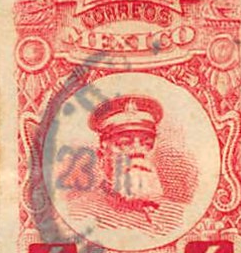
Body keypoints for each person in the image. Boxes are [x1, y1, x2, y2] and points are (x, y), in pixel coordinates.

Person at [64, 94, 188, 244]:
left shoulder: (180, 215)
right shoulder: (79, 215)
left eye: (146, 143)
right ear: (102, 156)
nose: (138, 151)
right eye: (124, 143)